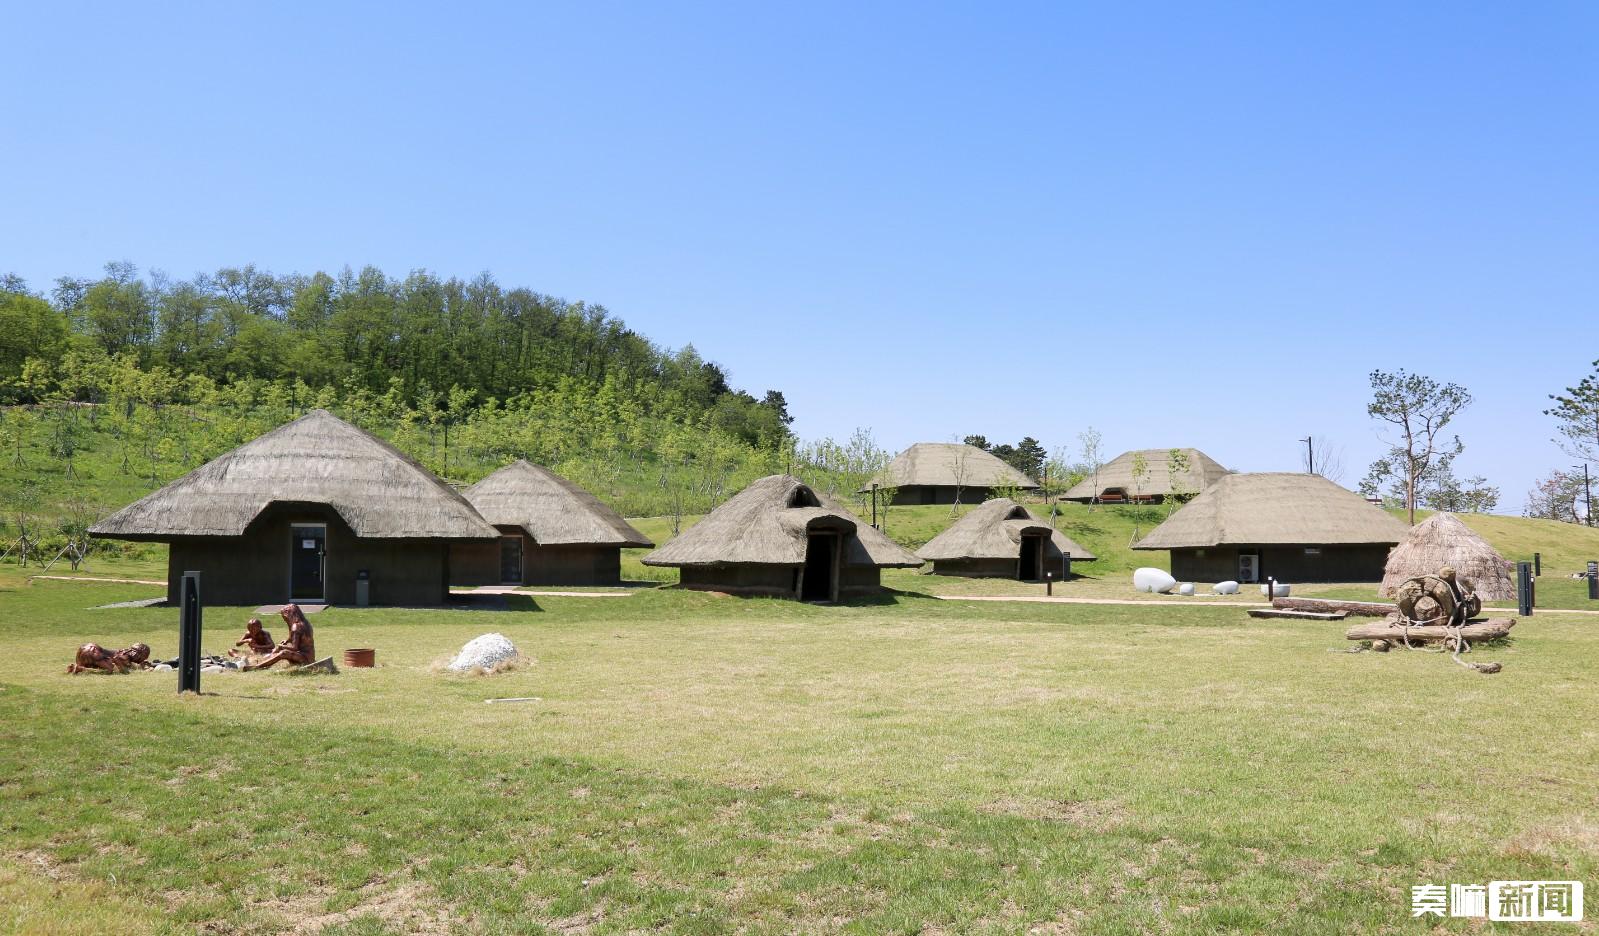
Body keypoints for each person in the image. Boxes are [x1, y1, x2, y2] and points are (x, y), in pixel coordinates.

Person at [246, 604, 315, 670]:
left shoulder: (296, 627)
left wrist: (281, 646)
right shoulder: (306, 623)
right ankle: (264, 662)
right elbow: (296, 638)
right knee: (278, 650)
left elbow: (294, 648)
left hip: (305, 659)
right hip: (311, 657)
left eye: (284, 618)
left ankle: (257, 666)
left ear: (289, 614)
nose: (285, 620)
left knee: (283, 653)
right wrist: (287, 641)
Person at [67, 642, 152, 674]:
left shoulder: (125, 653)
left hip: (87, 649)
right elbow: (124, 672)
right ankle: (81, 669)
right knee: (109, 670)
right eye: (143, 657)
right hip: (91, 652)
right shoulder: (125, 657)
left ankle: (80, 668)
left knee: (107, 668)